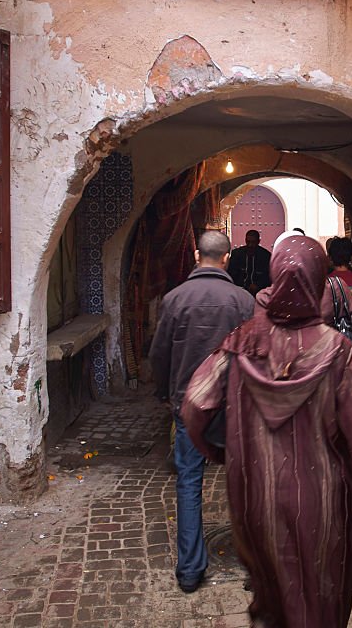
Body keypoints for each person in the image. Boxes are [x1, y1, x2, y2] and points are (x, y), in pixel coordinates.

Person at [182, 235, 352, 628]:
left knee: (273, 594)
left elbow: (195, 405)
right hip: (321, 502)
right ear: (320, 280)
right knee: (321, 594)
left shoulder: (240, 342)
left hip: (255, 497)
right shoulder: (337, 352)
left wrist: (221, 452)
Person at [148, 230, 255, 593]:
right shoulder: (243, 300)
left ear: (197, 255)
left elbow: (159, 354)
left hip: (188, 405)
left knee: (189, 482)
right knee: (243, 483)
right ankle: (256, 567)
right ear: (227, 258)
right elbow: (254, 356)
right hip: (233, 406)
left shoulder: (175, 299)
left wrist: (165, 394)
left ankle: (191, 570)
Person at [255, 230, 352, 383]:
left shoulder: (265, 298)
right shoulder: (337, 290)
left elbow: (260, 349)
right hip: (328, 378)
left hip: (282, 385)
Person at [227, 229, 272, 295]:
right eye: (248, 242)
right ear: (245, 241)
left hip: (258, 293)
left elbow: (268, 277)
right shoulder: (237, 254)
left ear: (258, 242)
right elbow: (231, 273)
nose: (250, 245)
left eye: (253, 242)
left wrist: (258, 285)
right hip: (239, 291)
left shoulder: (265, 256)